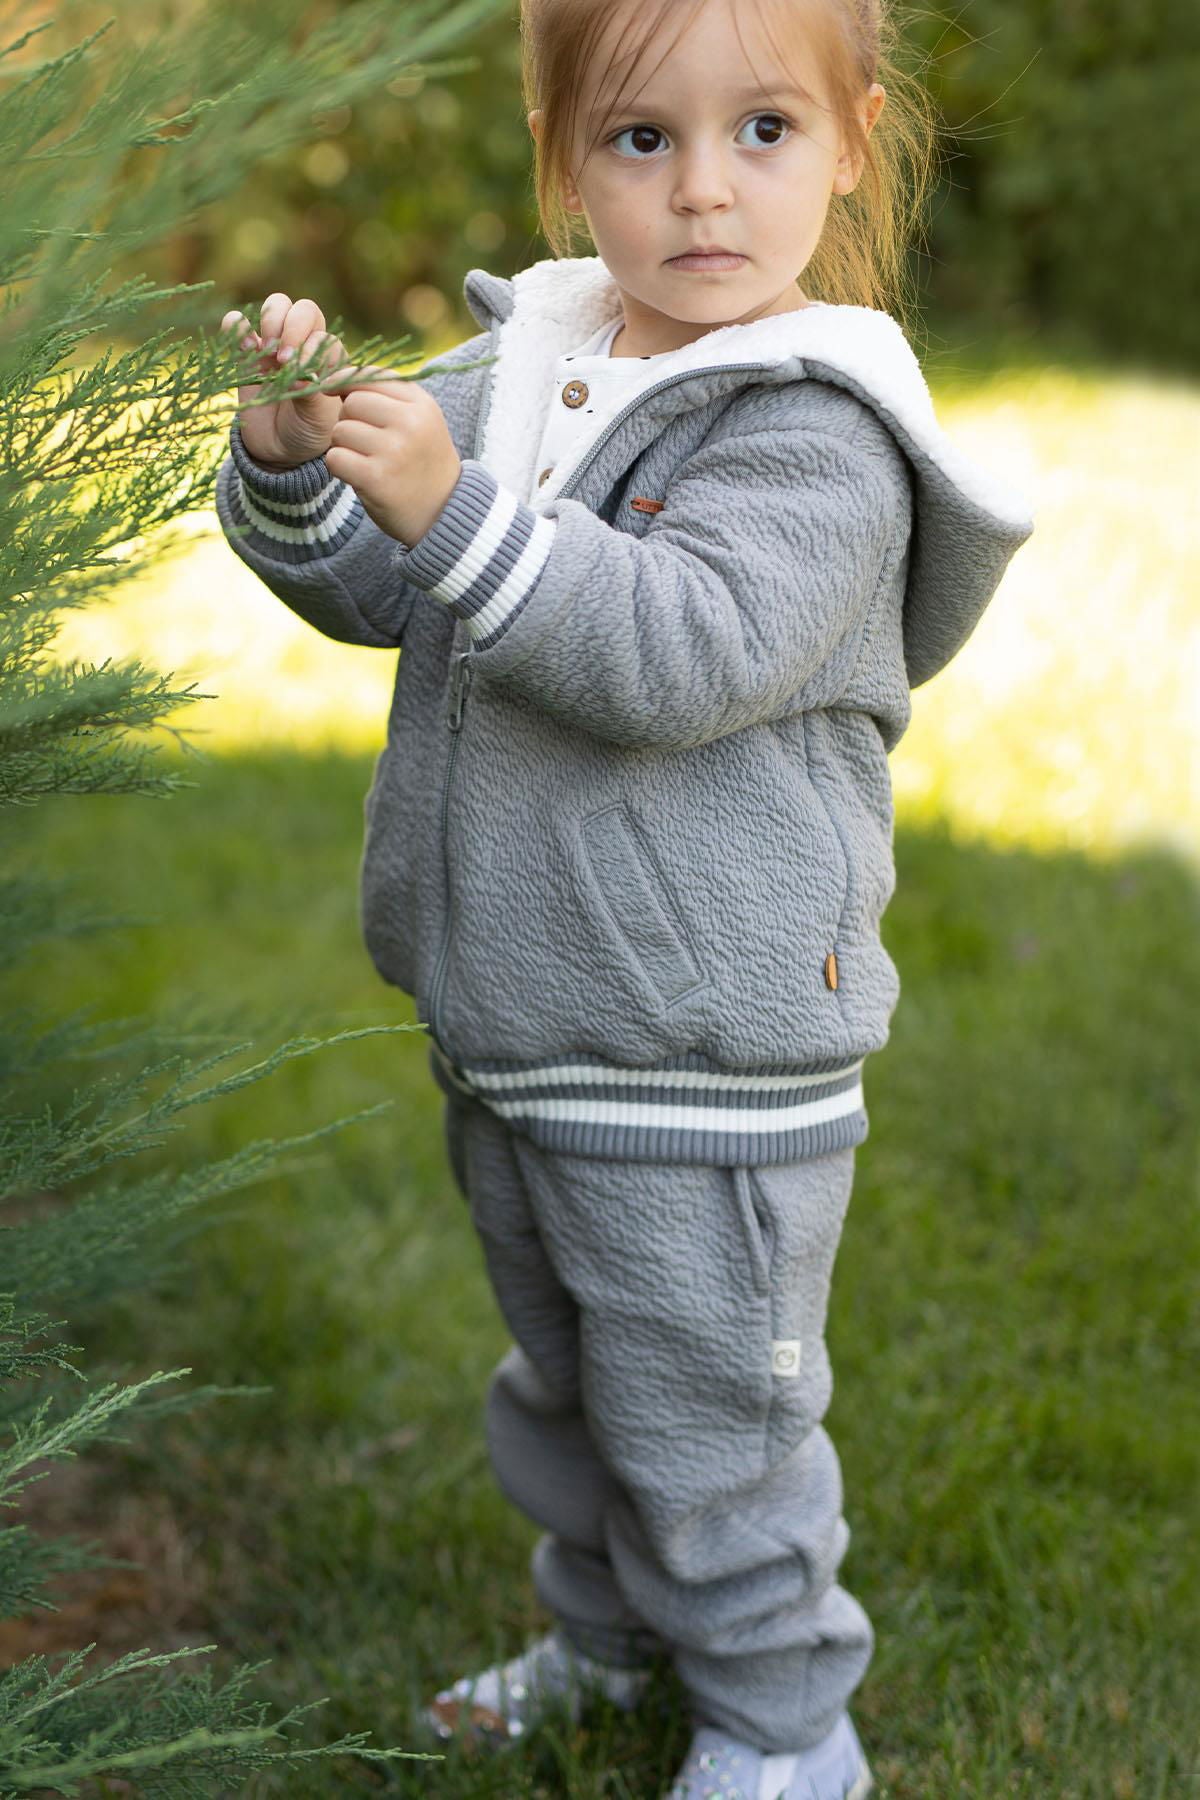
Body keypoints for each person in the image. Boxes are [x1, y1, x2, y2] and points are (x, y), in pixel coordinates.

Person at [214, 0, 1035, 1789]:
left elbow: (682, 649)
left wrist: (458, 514)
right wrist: (297, 462)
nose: (703, 194)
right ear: (563, 152)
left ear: (854, 139)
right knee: (575, 1397)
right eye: (640, 140)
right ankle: (606, 1639)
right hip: (520, 1022)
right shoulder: (534, 359)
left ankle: (782, 1722)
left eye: (763, 133)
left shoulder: (824, 429)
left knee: (707, 1424)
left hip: (707, 1053)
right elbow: (376, 579)